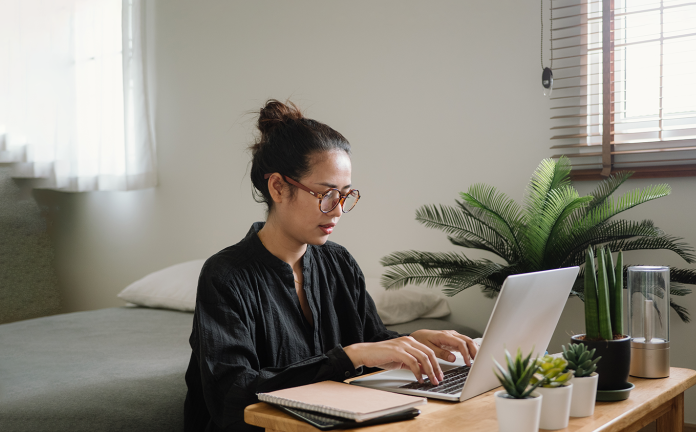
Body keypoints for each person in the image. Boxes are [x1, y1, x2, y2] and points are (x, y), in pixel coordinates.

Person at [183, 100, 478, 431]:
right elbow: (232, 396)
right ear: (278, 187)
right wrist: (350, 357)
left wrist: (415, 340)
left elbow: (371, 342)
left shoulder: (338, 262)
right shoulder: (226, 276)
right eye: (325, 194)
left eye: (345, 195)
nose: (337, 210)